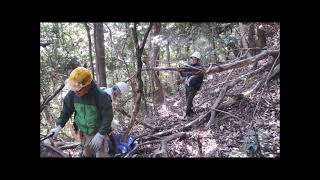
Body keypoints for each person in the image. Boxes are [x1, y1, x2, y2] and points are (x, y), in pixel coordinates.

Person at [50, 67, 117, 157]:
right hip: (85, 133)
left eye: (78, 89)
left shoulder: (101, 96)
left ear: (87, 85)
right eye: (74, 88)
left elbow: (107, 117)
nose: (76, 92)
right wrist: (58, 126)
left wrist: (100, 135)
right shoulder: (72, 95)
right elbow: (66, 112)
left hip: (99, 132)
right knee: (87, 154)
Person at [178, 51, 204, 118]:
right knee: (188, 100)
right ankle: (191, 111)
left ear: (198, 60)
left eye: (194, 59)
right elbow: (184, 75)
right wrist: (180, 71)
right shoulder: (190, 66)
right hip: (188, 86)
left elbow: (198, 75)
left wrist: (190, 73)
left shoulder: (200, 68)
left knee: (189, 101)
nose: (193, 60)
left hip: (194, 87)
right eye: (192, 58)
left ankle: (187, 115)